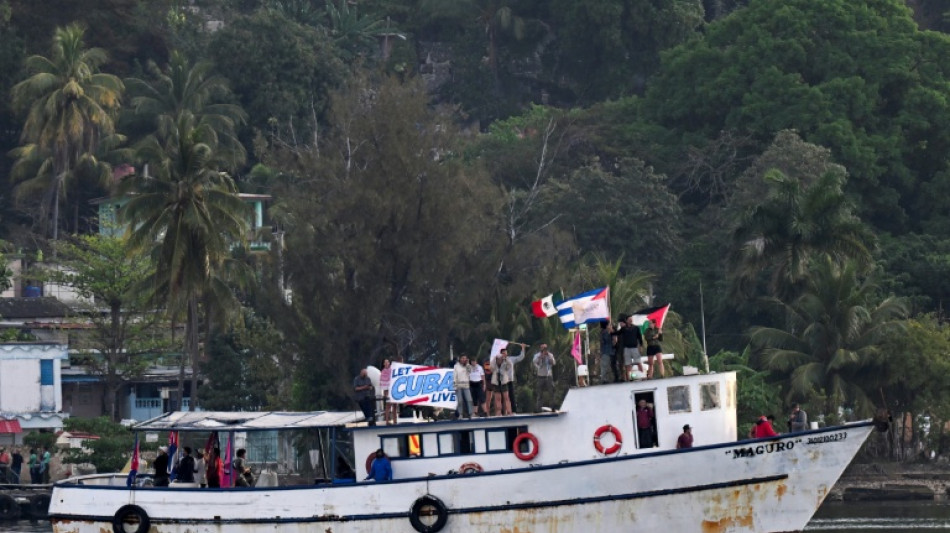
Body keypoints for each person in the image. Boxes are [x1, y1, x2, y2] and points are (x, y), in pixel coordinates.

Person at [505, 343, 528, 413]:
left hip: (510, 380)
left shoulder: (511, 359)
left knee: (511, 395)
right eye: (503, 353)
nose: (504, 354)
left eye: (505, 353)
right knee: (504, 397)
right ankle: (504, 411)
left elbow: (520, 357)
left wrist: (523, 348)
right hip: (502, 381)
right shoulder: (499, 360)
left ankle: (513, 410)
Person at [532, 344, 556, 411]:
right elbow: (534, 362)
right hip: (540, 376)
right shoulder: (537, 355)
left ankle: (552, 407)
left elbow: (554, 363)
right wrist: (540, 357)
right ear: (540, 349)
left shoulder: (550, 355)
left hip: (548, 376)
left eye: (545, 348)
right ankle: (538, 408)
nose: (544, 350)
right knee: (539, 393)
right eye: (543, 348)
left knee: (551, 392)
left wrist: (549, 357)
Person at [490, 349, 514, 416]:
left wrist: (506, 359)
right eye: (502, 354)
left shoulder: (506, 362)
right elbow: (491, 368)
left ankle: (509, 411)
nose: (503, 355)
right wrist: (495, 358)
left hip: (504, 381)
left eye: (505, 354)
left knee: (506, 397)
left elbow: (510, 366)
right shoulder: (495, 362)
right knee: (498, 398)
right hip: (496, 381)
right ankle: (498, 412)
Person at [621, 316, 645, 380]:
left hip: (634, 348)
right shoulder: (624, 328)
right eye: (629, 319)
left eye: (631, 319)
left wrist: (641, 345)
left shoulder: (636, 328)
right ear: (627, 320)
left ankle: (643, 376)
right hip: (626, 348)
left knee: (638, 362)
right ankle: (628, 378)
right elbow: (618, 333)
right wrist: (611, 332)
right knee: (627, 364)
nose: (631, 320)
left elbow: (639, 337)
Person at [380, 359, 397, 425]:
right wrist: (385, 392)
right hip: (387, 391)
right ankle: (387, 421)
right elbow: (382, 382)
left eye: (388, 362)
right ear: (384, 364)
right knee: (388, 406)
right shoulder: (383, 372)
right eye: (386, 362)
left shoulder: (392, 370)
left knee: (395, 406)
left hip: (394, 390)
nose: (387, 363)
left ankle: (395, 420)